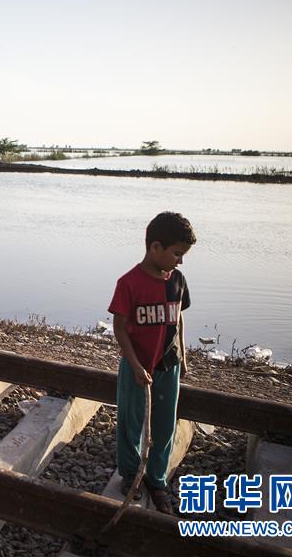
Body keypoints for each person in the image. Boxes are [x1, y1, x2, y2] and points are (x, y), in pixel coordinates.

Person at [108, 211, 196, 515]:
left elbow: (179, 317)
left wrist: (182, 355)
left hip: (167, 365)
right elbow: (120, 326)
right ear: (155, 247)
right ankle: (131, 474)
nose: (180, 261)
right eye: (177, 254)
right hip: (136, 366)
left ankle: (157, 480)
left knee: (164, 424)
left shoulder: (178, 280)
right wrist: (133, 364)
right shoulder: (129, 283)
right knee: (130, 423)